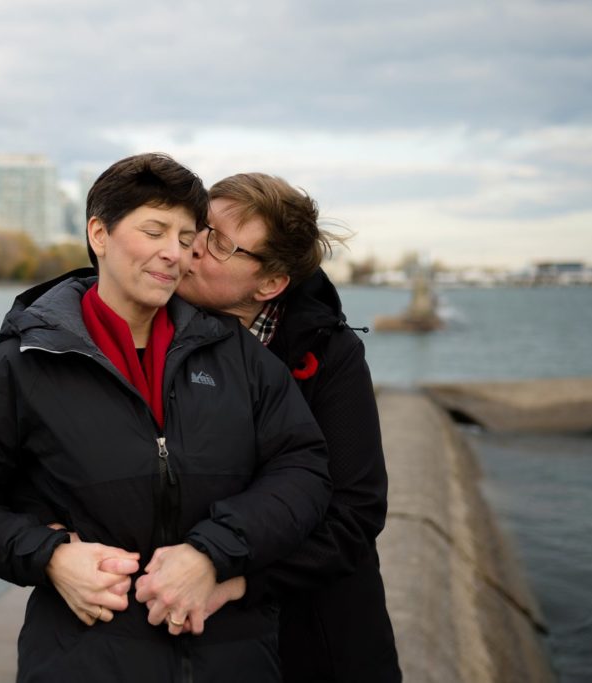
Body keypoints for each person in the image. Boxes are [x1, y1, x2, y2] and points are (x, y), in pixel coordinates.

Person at [0, 154, 331, 682]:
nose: (173, 254)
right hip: (83, 661)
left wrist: (212, 554)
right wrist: (49, 556)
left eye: (187, 238)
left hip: (232, 658)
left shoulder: (238, 357)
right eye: (154, 231)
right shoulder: (21, 366)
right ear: (99, 233)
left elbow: (303, 470)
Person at [166, 172, 402, 681]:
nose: (195, 247)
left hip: (318, 636)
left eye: (221, 243)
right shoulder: (148, 329)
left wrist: (239, 579)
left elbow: (355, 514)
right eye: (199, 227)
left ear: (269, 284)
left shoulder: (327, 353)